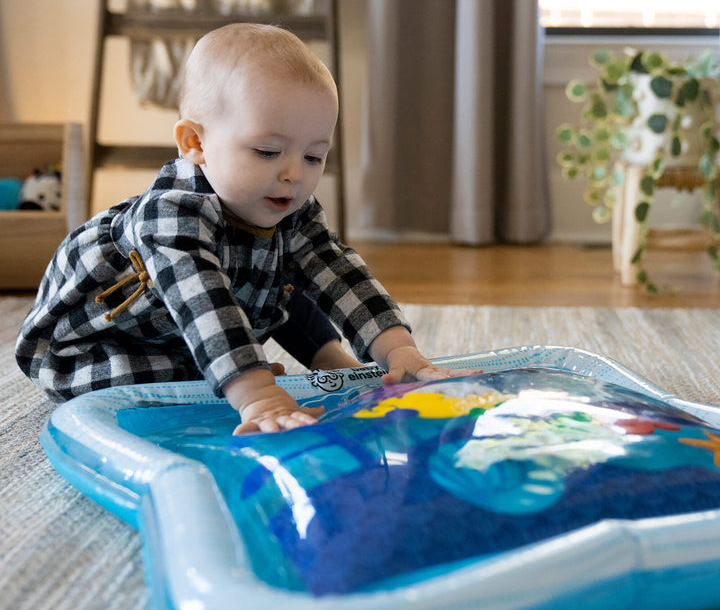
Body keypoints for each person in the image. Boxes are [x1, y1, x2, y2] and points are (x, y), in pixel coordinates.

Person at [16, 23, 463, 435]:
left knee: (284, 271)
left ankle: (326, 361)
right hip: (98, 350)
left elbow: (338, 274)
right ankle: (237, 374)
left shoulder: (288, 207)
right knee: (183, 387)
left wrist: (398, 350)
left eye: (313, 156)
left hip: (190, 328)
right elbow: (206, 306)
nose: (293, 174)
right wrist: (258, 394)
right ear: (195, 144)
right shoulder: (171, 217)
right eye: (268, 151)